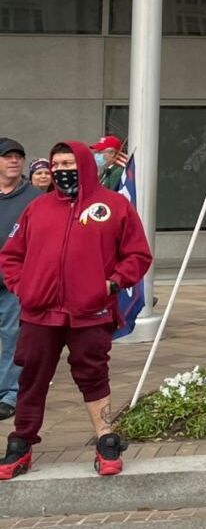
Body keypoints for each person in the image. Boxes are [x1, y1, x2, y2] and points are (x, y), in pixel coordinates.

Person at [0, 142, 152, 480]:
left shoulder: (114, 206)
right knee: (32, 378)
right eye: (55, 164)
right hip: (39, 313)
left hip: (90, 312)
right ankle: (21, 442)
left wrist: (111, 284)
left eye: (68, 162)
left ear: (84, 164)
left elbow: (137, 255)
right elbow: (11, 255)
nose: (61, 169)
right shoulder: (37, 209)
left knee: (93, 375)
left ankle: (105, 438)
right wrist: (24, 287)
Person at [0, 139, 43, 421]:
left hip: (14, 282)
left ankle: (8, 394)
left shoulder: (35, 198)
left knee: (13, 337)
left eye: (18, 156)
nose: (14, 161)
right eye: (7, 157)